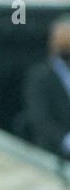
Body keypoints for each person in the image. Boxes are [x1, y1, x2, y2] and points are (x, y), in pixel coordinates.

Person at [21, 14, 70, 160]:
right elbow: (40, 119)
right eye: (62, 42)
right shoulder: (39, 77)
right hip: (52, 157)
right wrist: (66, 141)